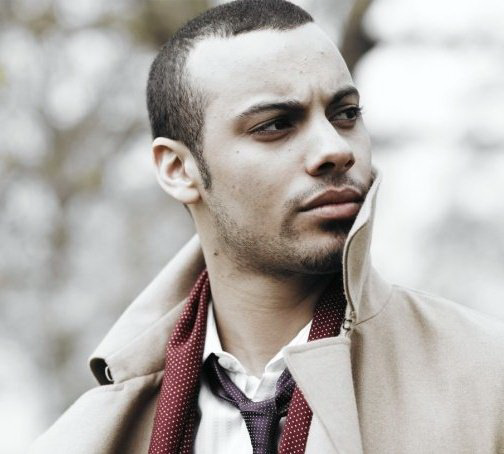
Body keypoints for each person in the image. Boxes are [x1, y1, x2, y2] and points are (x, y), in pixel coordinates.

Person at [30, 1, 504, 453]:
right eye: (276, 124)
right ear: (178, 169)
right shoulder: (88, 437)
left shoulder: (485, 383)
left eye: (345, 114)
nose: (336, 149)